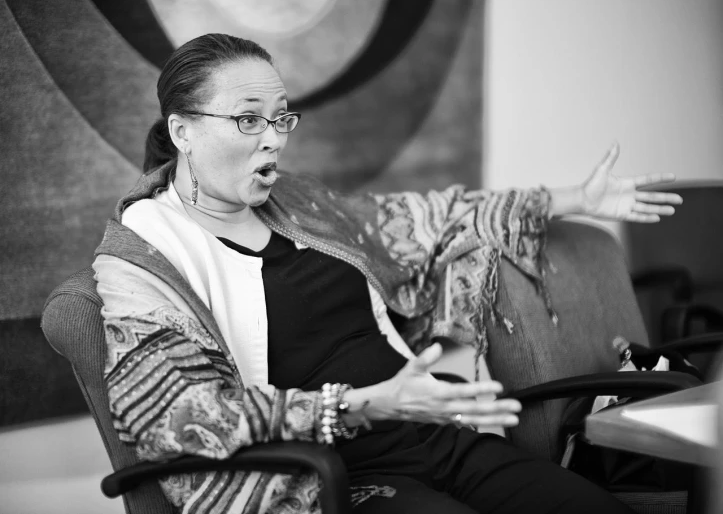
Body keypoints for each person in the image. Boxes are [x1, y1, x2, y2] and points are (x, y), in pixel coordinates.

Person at [93, 33, 682, 514]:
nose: (273, 141)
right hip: (334, 478)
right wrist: (367, 404)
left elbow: (433, 214)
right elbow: (180, 414)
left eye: (280, 119)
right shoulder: (146, 254)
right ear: (182, 132)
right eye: (248, 121)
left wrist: (577, 195)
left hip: (433, 433)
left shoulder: (298, 205)